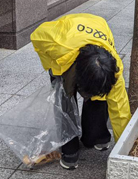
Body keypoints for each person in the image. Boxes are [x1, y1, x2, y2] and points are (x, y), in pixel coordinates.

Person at [31, 14, 131, 170]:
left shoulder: (113, 69)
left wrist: (125, 152)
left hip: (97, 26)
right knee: (65, 100)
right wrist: (53, 67)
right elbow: (36, 36)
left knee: (100, 97)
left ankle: (97, 137)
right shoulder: (57, 43)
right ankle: (70, 152)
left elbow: (120, 110)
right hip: (65, 50)